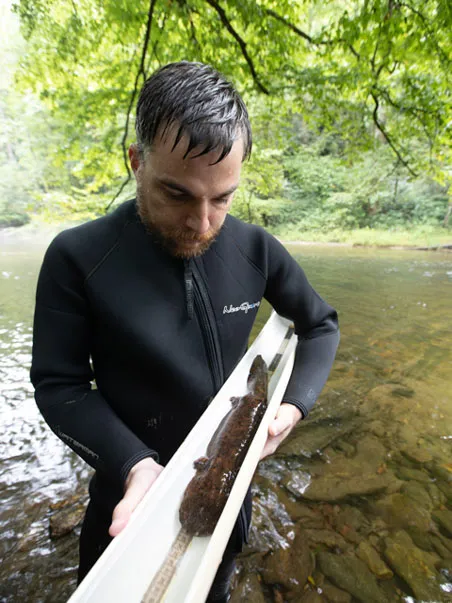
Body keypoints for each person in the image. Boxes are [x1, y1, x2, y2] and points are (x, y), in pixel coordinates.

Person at [31, 61, 339, 602]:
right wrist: (131, 464)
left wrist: (293, 407)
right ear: (136, 162)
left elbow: (320, 325)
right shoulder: (78, 259)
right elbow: (60, 385)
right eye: (177, 194)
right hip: (127, 497)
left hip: (230, 490)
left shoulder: (255, 250)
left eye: (222, 198)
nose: (203, 223)